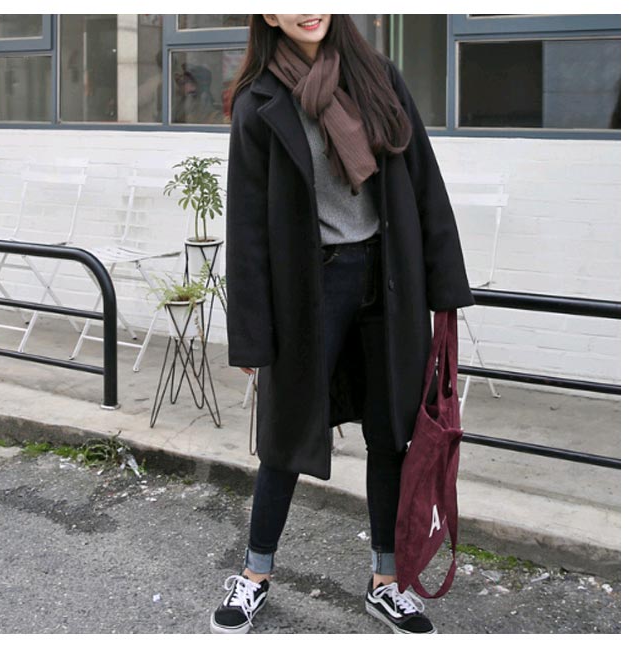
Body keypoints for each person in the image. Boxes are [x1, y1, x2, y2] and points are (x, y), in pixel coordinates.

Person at [211, 14, 474, 634]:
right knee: (286, 434)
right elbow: (247, 228)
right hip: (310, 288)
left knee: (391, 433)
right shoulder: (258, 101)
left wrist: (444, 288)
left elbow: (423, 181)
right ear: (268, 14)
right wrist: (250, 332)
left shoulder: (377, 76)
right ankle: (254, 574)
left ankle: (387, 582)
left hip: (389, 279)